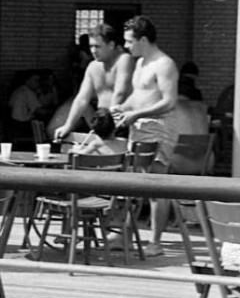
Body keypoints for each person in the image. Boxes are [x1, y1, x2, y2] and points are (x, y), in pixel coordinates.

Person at [111, 15, 179, 257]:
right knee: (134, 181)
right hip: (138, 126)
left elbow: (169, 101)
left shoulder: (164, 64)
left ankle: (156, 242)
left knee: (156, 185)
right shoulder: (140, 63)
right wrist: (123, 108)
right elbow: (139, 95)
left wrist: (135, 113)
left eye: (130, 41)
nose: (126, 46)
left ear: (143, 39)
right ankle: (125, 233)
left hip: (160, 128)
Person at [54, 24, 134, 142]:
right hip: (102, 122)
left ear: (111, 45)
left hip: (121, 122)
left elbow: (120, 92)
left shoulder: (124, 59)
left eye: (98, 46)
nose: (93, 51)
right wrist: (68, 125)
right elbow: (82, 99)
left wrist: (111, 123)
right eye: (91, 46)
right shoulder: (93, 66)